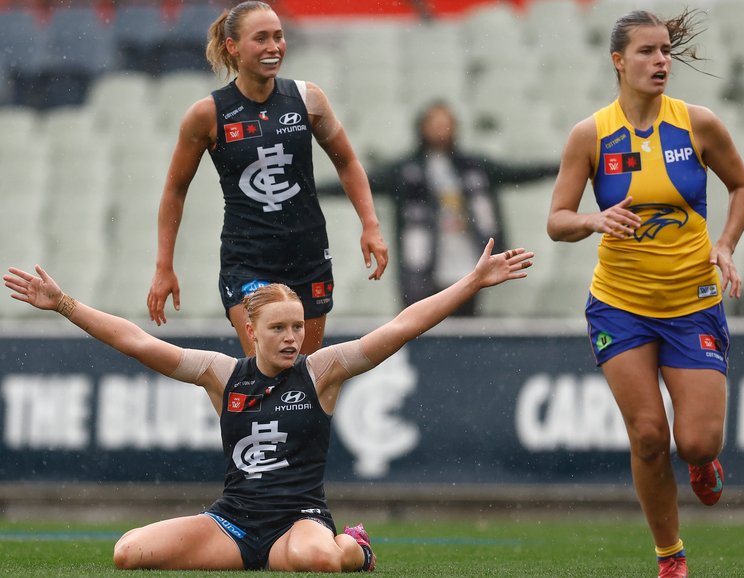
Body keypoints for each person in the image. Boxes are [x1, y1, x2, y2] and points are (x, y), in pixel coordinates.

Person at [4, 239, 534, 572]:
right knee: (127, 553)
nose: (291, 337)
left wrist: (472, 282)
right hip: (233, 524)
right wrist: (65, 305)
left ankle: (355, 546)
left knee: (318, 559)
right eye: (278, 328)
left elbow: (401, 326)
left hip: (298, 521)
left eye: (298, 327)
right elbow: (139, 343)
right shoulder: (222, 374)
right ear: (250, 330)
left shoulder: (322, 371)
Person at [546, 9, 744, 578]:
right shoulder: (591, 134)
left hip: (692, 303)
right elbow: (556, 221)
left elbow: (742, 186)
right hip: (620, 304)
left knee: (696, 442)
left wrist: (727, 245)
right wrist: (593, 220)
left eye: (665, 50)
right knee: (645, 435)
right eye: (646, 51)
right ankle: (671, 556)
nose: (661, 60)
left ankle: (703, 463)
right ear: (619, 61)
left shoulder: (698, 124)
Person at [146, 1, 388, 356]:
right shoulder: (207, 115)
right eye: (261, 38)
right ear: (233, 47)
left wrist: (370, 224)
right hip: (248, 261)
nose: (274, 47)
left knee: (303, 380)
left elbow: (348, 162)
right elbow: (175, 190)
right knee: (269, 369)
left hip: (307, 255)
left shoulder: (307, 99)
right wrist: (164, 266)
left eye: (279, 36)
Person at [365, 101, 557, 315]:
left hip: (466, 261)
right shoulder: (405, 170)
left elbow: (517, 173)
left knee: (463, 329)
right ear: (422, 127)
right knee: (419, 322)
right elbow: (360, 183)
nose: (441, 128)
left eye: (447, 123)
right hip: (421, 262)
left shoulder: (473, 167)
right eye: (435, 123)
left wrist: (568, 165)